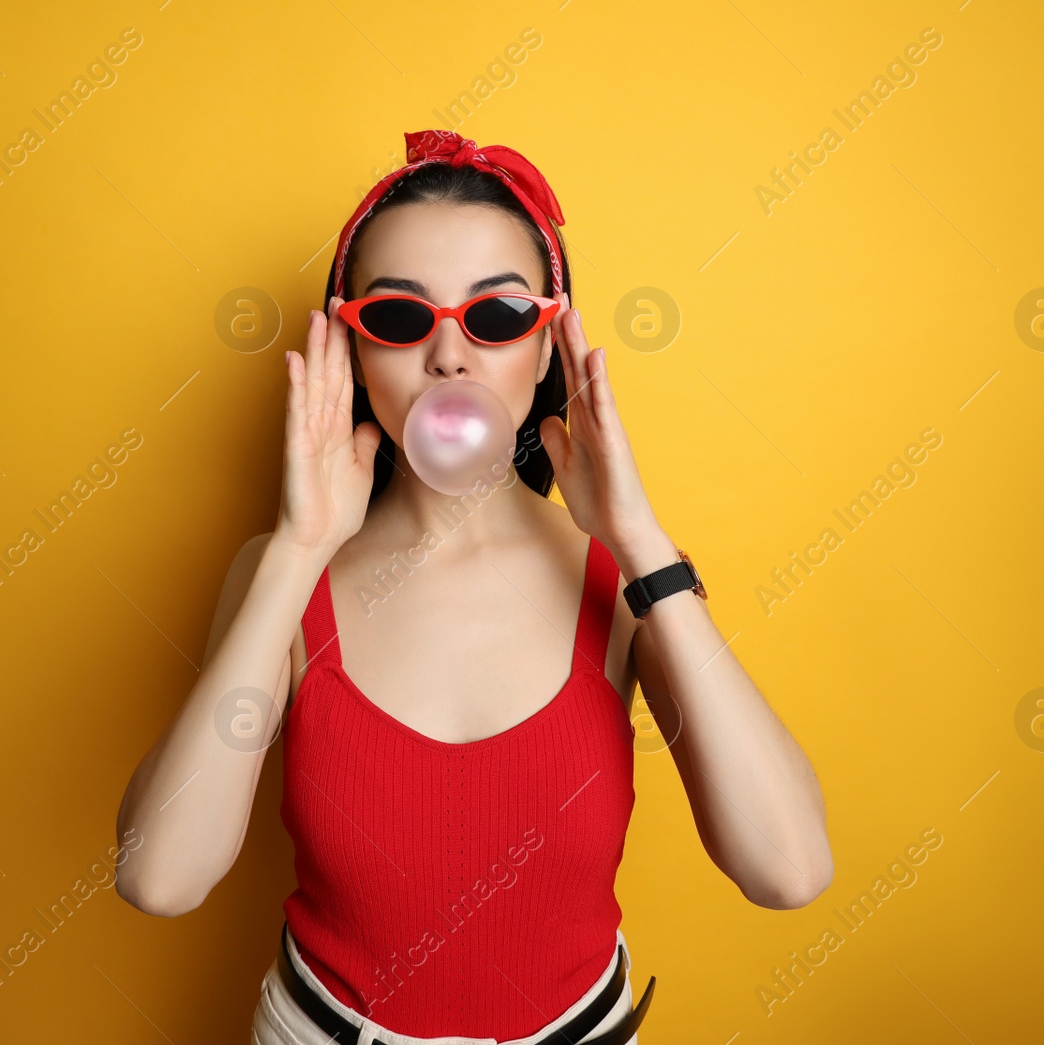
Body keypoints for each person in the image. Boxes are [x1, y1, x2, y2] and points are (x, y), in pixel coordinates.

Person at [114, 129, 834, 1045]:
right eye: (400, 319)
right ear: (348, 351)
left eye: (495, 318)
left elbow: (789, 868)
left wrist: (640, 538)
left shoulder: (628, 581)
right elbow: (159, 879)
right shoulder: (282, 574)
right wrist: (299, 547)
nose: (449, 357)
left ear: (547, 350)